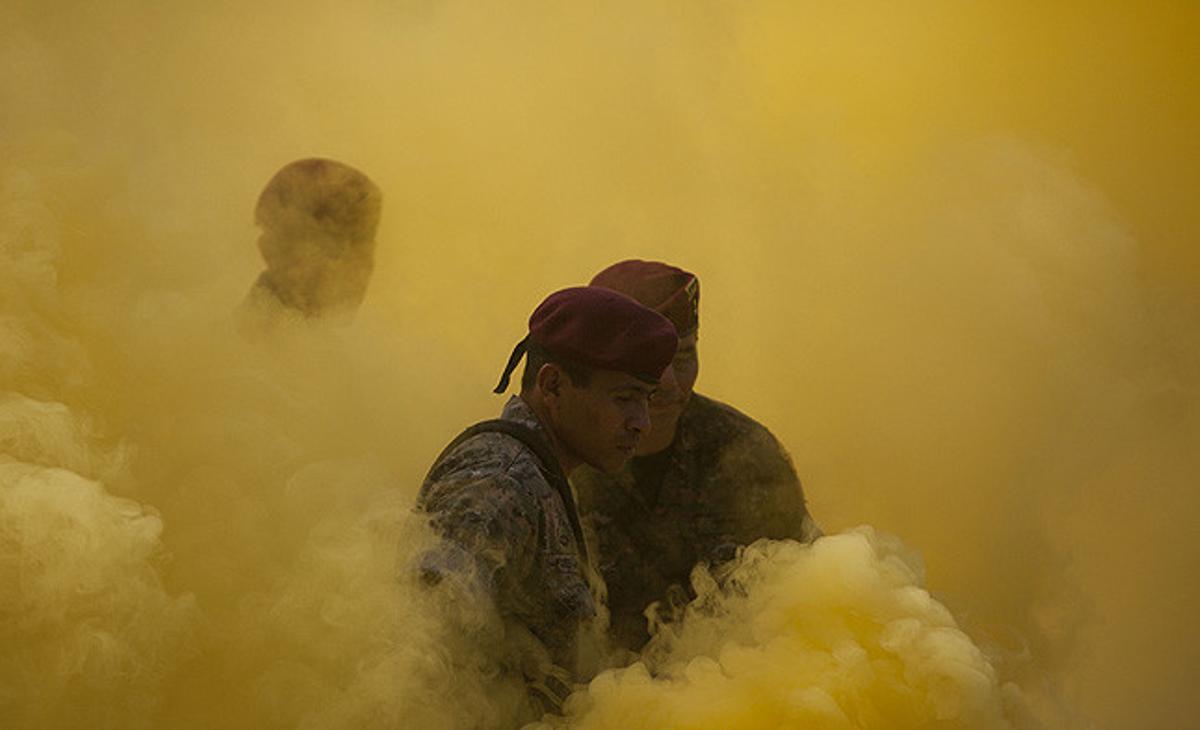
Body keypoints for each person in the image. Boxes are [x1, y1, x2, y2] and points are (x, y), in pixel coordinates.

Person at [415, 286, 678, 716]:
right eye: (625, 399)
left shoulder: (542, 474)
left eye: (646, 401)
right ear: (552, 386)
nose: (642, 424)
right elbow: (425, 644)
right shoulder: (499, 482)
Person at [575, 259, 821, 653]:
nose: (669, 384)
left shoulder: (745, 454)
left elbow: (804, 601)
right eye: (647, 364)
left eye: (684, 356)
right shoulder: (560, 460)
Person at [242, 158, 382, 320]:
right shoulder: (226, 341)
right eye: (334, 248)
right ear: (270, 249)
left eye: (366, 243)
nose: (363, 268)